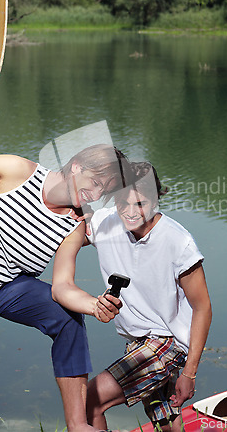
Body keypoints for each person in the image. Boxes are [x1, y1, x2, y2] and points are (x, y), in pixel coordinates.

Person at [0, 100, 127, 432]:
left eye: (104, 191)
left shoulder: (75, 224)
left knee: (67, 317)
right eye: (95, 182)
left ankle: (78, 424)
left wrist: (94, 305)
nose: (96, 194)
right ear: (76, 166)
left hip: (7, 288)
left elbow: (62, 286)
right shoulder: (15, 171)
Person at [62, 162, 212, 432]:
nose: (131, 213)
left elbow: (202, 308)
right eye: (123, 204)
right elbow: (69, 223)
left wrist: (189, 372)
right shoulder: (107, 223)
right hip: (137, 340)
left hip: (167, 343)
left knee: (91, 401)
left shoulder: (178, 242)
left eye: (140, 204)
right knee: (166, 419)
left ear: (156, 199)